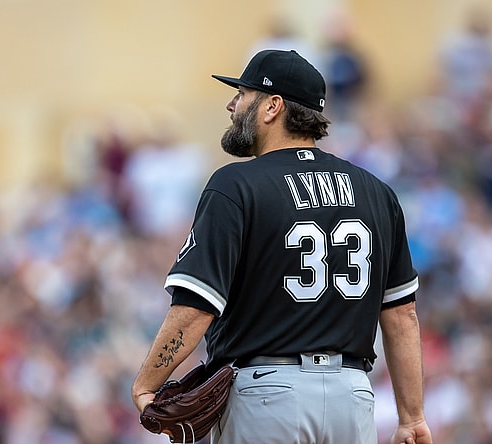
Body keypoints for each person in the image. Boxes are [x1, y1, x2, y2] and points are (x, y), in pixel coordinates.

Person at [131, 49, 432, 444]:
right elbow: (401, 314)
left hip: (266, 395)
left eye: (242, 94)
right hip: (353, 397)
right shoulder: (377, 192)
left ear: (272, 106)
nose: (231, 104)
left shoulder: (235, 185)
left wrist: (147, 384)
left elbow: (195, 307)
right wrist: (411, 418)